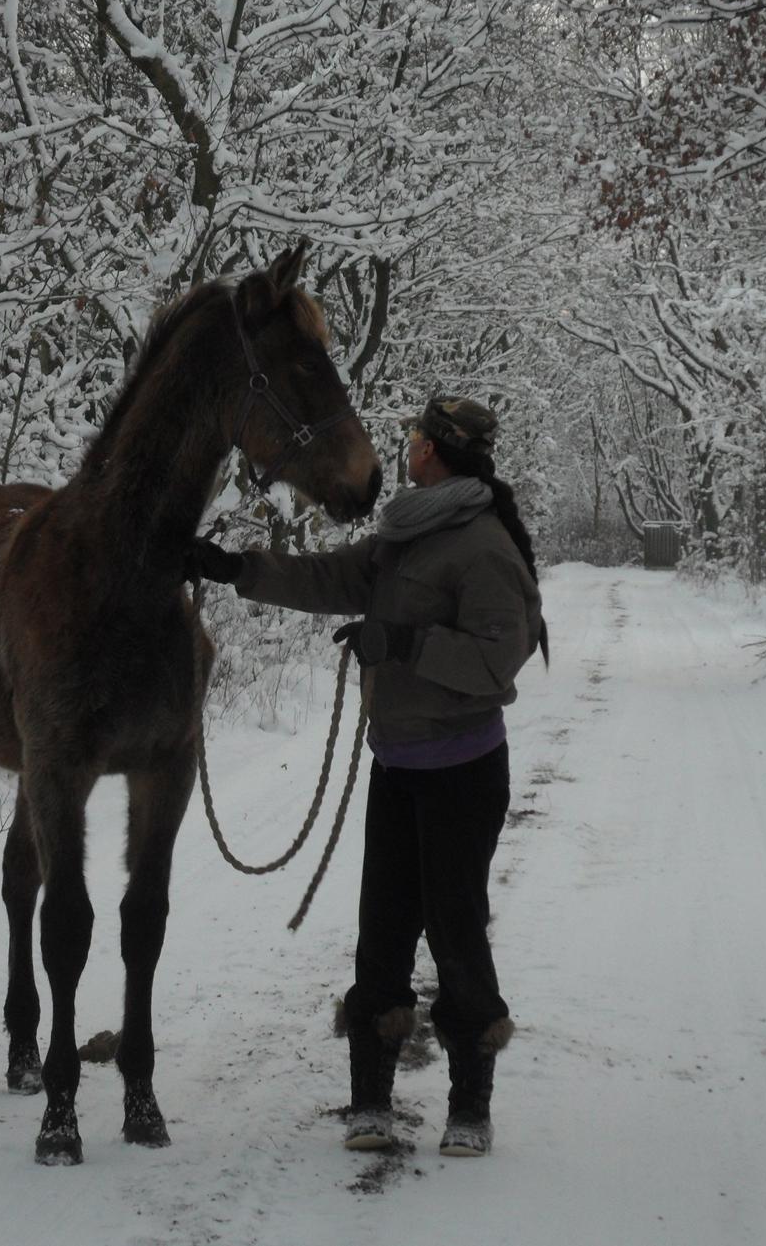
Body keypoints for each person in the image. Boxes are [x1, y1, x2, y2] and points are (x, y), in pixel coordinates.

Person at [186, 396, 546, 1157]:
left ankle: (470, 1106)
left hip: (462, 774)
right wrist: (237, 569)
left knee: (453, 932)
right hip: (399, 767)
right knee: (381, 935)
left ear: (440, 452)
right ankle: (370, 1102)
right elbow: (329, 577)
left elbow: (496, 659)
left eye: (416, 438)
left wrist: (404, 643)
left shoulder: (483, 548)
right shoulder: (404, 534)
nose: (406, 446)